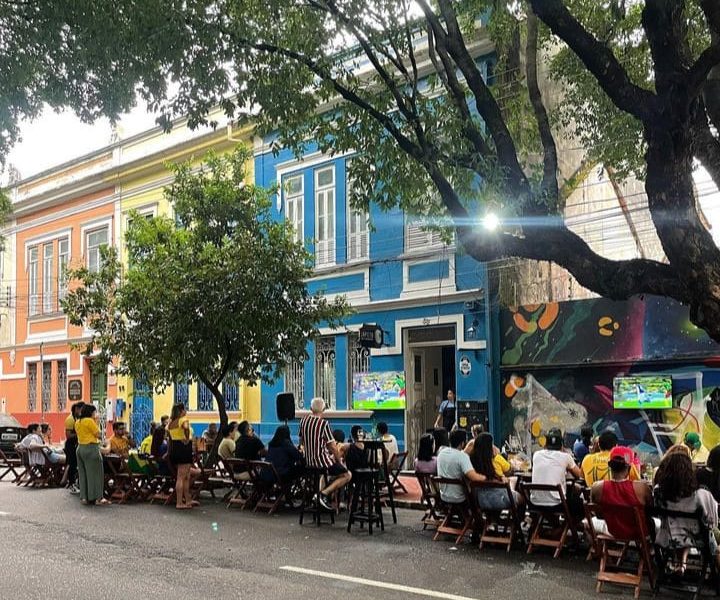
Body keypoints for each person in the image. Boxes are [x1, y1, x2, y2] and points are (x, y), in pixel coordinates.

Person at [654, 451, 720, 571]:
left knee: (681, 526)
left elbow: (657, 514)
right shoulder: (701, 495)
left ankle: (681, 565)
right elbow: (713, 521)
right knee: (713, 534)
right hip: (698, 539)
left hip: (668, 536)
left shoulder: (659, 492)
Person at [298, 397, 352, 511]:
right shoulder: (323, 424)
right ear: (323, 410)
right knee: (347, 475)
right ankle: (323, 494)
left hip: (308, 462)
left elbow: (301, 441)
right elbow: (332, 447)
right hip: (322, 462)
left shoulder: (303, 421)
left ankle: (318, 496)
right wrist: (339, 461)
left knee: (326, 474)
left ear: (310, 408)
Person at [590, 446, 653, 537]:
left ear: (610, 465)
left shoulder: (597, 487)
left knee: (587, 522)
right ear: (629, 467)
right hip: (639, 533)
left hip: (612, 530)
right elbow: (650, 511)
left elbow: (598, 515)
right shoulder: (641, 488)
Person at [530, 428, 583, 518]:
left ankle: (553, 527)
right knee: (579, 505)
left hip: (534, 503)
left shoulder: (536, 454)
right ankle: (559, 530)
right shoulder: (566, 457)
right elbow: (579, 475)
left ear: (545, 444)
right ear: (561, 445)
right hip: (556, 505)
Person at [470, 432, 524, 510]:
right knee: (523, 498)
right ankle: (518, 521)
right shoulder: (492, 462)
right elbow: (507, 473)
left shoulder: (472, 462)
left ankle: (494, 519)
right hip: (498, 499)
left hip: (479, 500)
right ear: (489, 448)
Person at [436, 429, 486, 505]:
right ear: (462, 443)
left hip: (443, 495)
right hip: (459, 497)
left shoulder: (441, 453)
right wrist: (487, 478)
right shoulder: (462, 456)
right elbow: (474, 477)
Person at [75, 404, 110, 505]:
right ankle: (97, 498)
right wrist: (97, 422)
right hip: (91, 448)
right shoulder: (90, 421)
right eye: (95, 412)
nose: (96, 414)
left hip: (80, 448)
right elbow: (98, 434)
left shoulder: (78, 422)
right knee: (96, 473)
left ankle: (84, 497)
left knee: (83, 474)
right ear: (91, 412)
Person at [167, 403, 200, 510]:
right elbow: (186, 427)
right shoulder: (183, 419)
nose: (186, 411)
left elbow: (168, 434)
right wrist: (186, 437)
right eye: (184, 409)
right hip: (184, 448)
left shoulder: (170, 422)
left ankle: (188, 500)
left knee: (186, 476)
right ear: (181, 411)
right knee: (181, 477)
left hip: (175, 448)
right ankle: (179, 502)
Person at [63, 401, 84, 493]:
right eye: (81, 409)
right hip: (71, 445)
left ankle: (78, 483)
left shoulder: (79, 419)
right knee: (72, 465)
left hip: (78, 444)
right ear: (76, 409)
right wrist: (79, 433)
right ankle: (71, 483)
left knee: (78, 465)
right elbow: (68, 435)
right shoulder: (70, 419)